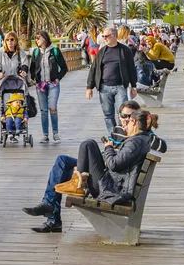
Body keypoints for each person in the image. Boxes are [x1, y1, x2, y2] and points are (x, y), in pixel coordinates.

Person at [22, 101, 151, 233]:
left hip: (110, 184)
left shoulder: (136, 141)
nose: (125, 120)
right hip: (108, 174)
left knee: (88, 144)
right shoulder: (124, 133)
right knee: (63, 160)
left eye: (129, 117)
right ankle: (51, 211)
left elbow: (114, 164)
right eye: (123, 116)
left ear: (135, 121)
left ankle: (77, 184)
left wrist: (109, 149)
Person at [86, 26, 138, 135]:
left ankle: (123, 134)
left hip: (120, 86)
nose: (104, 38)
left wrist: (134, 86)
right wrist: (89, 87)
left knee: (123, 114)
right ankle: (113, 135)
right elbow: (94, 68)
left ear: (114, 36)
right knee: (108, 114)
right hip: (104, 87)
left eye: (106, 36)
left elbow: (131, 69)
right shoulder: (102, 51)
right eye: (103, 36)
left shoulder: (124, 50)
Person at [30, 31, 68, 144]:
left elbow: (64, 67)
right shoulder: (36, 52)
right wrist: (34, 79)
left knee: (52, 108)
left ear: (45, 38)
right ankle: (45, 135)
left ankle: (55, 133)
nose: (36, 40)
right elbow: (32, 68)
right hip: (41, 85)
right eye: (35, 38)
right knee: (43, 111)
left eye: (38, 38)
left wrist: (58, 78)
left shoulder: (55, 51)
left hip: (53, 85)